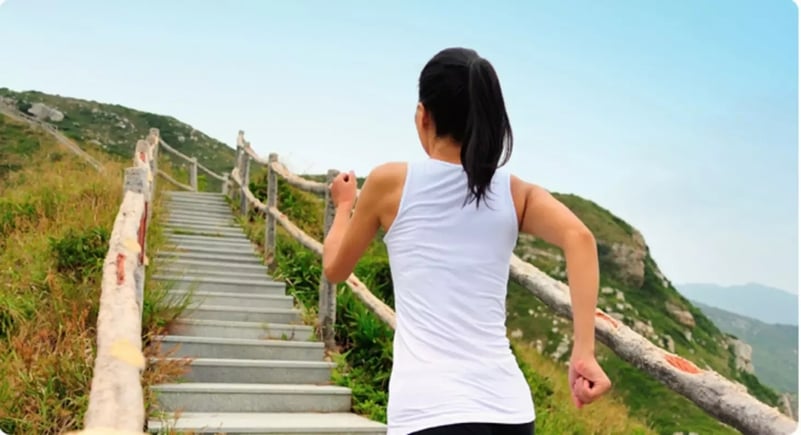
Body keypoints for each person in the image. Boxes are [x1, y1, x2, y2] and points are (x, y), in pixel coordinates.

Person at [322, 47, 611, 435]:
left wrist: (344, 206)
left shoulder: (389, 183)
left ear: (423, 116)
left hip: (430, 412)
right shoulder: (514, 192)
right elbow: (580, 238)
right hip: (509, 412)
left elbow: (335, 269)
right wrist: (584, 352)